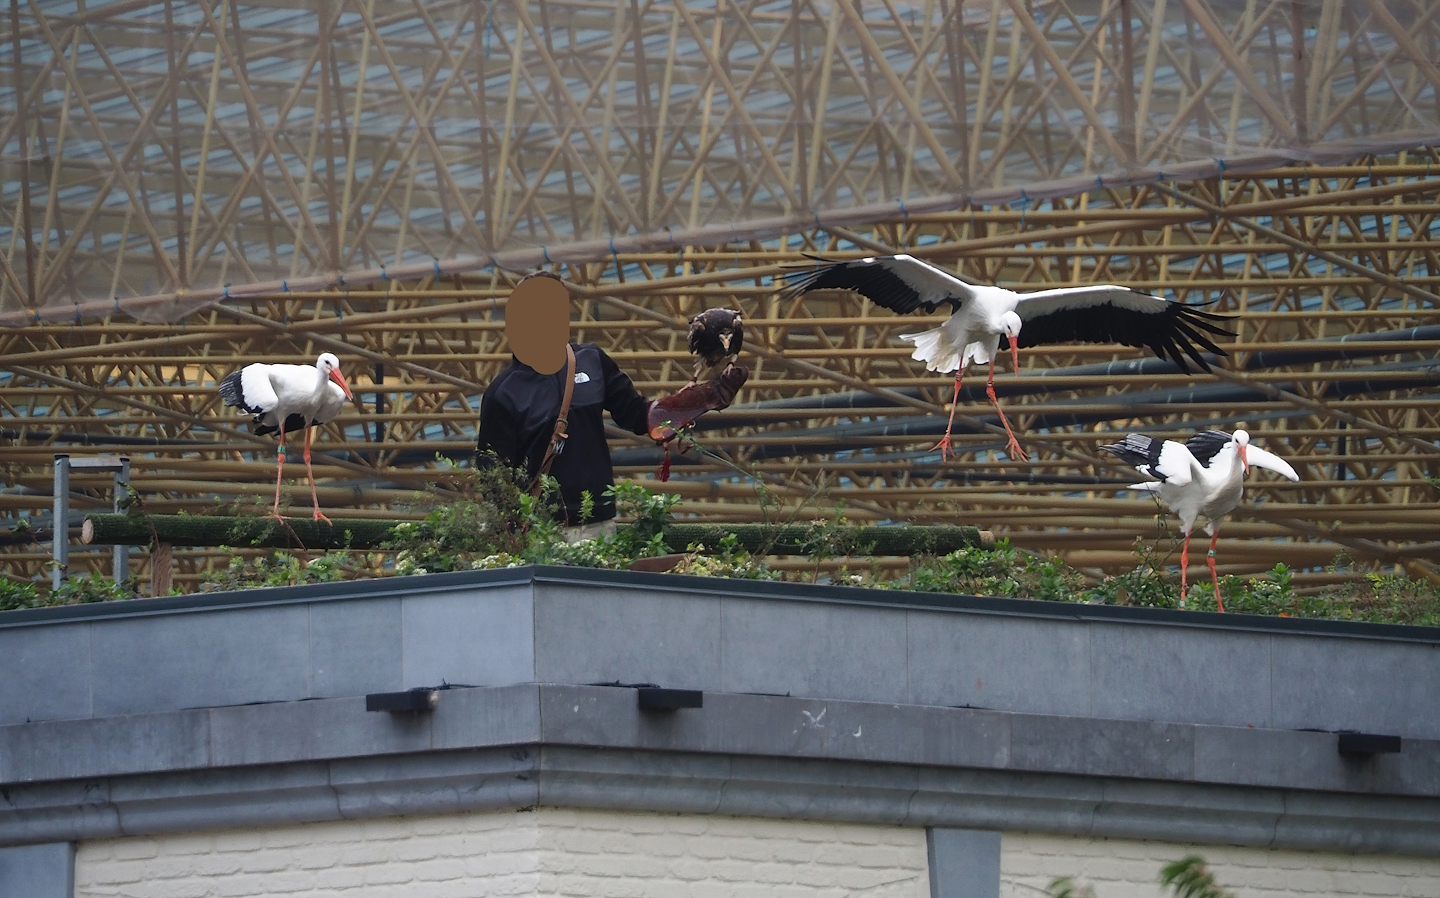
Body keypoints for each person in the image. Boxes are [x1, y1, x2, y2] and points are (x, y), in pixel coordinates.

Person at [476, 271, 742, 540]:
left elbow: (640, 416)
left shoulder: (590, 359)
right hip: (542, 532)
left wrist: (703, 397)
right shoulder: (503, 393)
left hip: (599, 524)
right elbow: (495, 482)